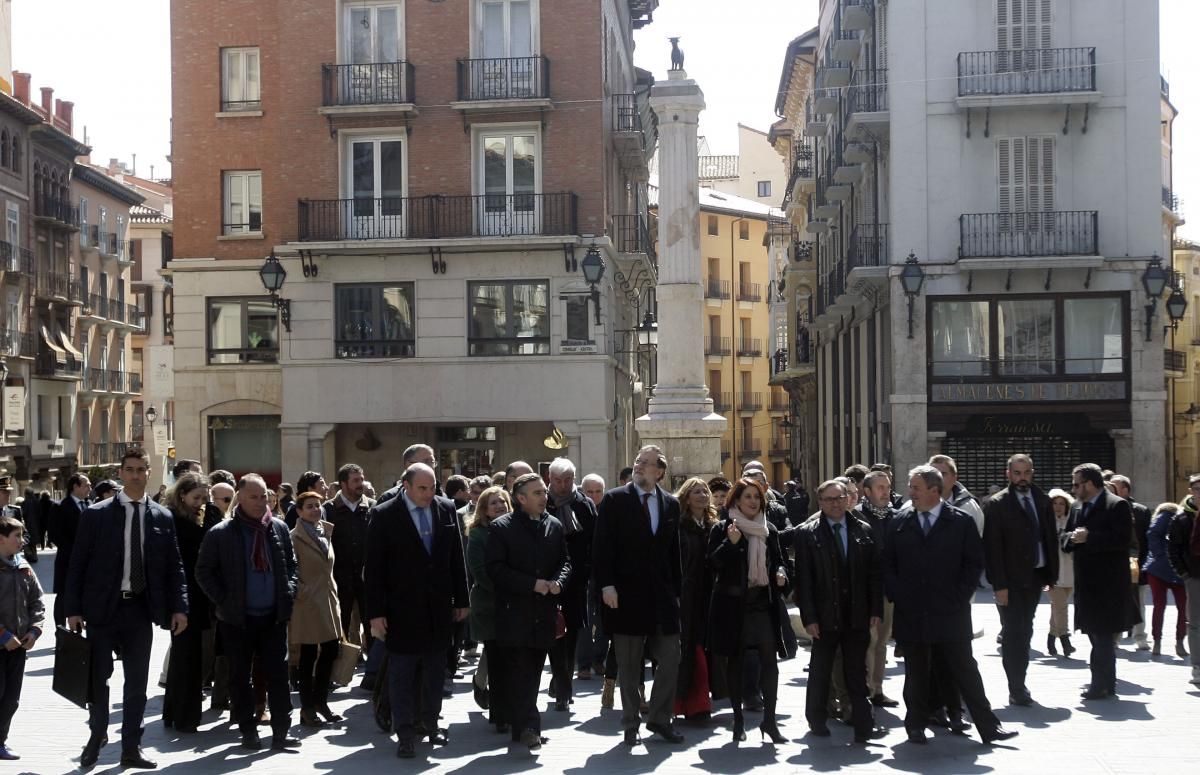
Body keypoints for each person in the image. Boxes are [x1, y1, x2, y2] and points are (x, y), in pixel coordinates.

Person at [64, 448, 189, 770]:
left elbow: (175, 566)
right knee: (98, 679)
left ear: (150, 473)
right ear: (121, 473)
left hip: (140, 611)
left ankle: (132, 747)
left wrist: (179, 607)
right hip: (102, 610)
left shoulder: (162, 516)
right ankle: (97, 735)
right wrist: (73, 608)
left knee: (136, 684)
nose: (135, 475)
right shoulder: (97, 514)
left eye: (141, 469)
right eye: (130, 469)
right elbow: (77, 563)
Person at [882, 465, 1015, 745]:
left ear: (934, 490)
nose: (910, 493)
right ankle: (915, 725)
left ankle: (988, 726)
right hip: (913, 612)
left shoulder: (960, 521)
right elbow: (888, 564)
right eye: (910, 487)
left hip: (951, 612)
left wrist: (959, 596)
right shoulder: (900, 522)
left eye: (916, 487)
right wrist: (899, 594)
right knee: (916, 672)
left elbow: (973, 563)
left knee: (964, 669)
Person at [364, 463, 468, 759]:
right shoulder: (385, 515)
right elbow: (373, 570)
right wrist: (376, 613)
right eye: (422, 488)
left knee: (436, 670)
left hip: (438, 608)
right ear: (406, 486)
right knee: (403, 673)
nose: (428, 493)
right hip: (400, 609)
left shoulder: (446, 509)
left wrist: (461, 599)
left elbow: (455, 559)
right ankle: (406, 732)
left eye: (433, 486)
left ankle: (431, 723)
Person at [195, 474, 299, 751]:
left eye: (264, 495)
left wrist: (288, 592)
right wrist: (224, 601)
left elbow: (291, 566)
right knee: (239, 677)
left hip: (273, 617)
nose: (260, 501)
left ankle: (281, 731)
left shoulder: (277, 529)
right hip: (237, 620)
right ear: (240, 497)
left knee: (278, 675)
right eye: (253, 496)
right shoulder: (221, 533)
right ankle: (248, 731)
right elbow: (203, 571)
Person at [592, 445, 684, 746]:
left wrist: (677, 594)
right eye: (637, 461)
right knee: (629, 666)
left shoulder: (671, 504)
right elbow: (602, 547)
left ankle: (659, 719)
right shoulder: (615, 500)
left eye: (647, 463)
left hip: (662, 598)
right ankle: (630, 722)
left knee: (670, 658)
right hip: (625, 596)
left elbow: (674, 554)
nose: (640, 466)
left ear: (660, 471)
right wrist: (606, 586)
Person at [486, 472, 571, 753]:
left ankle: (523, 726)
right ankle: (530, 727)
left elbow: (565, 561)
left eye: (544, 492)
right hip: (515, 613)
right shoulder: (502, 527)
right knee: (520, 670)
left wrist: (559, 582)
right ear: (520, 498)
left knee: (534, 671)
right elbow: (495, 570)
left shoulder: (554, 525)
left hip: (544, 614)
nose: (543, 497)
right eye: (537, 493)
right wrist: (531, 584)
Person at [795, 479, 882, 744]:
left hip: (856, 613)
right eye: (829, 499)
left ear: (848, 499)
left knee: (856, 670)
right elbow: (804, 580)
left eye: (839, 498)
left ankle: (863, 723)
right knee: (821, 670)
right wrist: (809, 617)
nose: (835, 504)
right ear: (820, 502)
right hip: (823, 615)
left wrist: (875, 609)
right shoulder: (808, 534)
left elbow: (874, 575)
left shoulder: (863, 530)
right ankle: (817, 719)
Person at [707, 478, 791, 744]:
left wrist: (781, 573)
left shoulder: (770, 530)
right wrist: (731, 544)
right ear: (736, 501)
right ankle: (738, 720)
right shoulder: (724, 528)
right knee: (737, 662)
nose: (753, 501)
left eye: (757, 497)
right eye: (748, 497)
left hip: (762, 605)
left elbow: (780, 562)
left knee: (770, 663)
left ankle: (770, 721)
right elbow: (713, 565)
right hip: (733, 606)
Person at [981, 453, 1059, 706]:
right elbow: (992, 548)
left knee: (1026, 629)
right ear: (1008, 474)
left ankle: (1019, 681)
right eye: (1017, 473)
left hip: (1036, 576)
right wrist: (999, 585)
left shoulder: (1042, 500)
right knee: (1014, 632)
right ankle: (1016, 687)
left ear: (1032, 473)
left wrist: (1051, 574)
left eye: (1026, 473)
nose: (1022, 478)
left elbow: (1049, 539)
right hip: (1010, 580)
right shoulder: (997, 504)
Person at [1063, 463, 1140, 700]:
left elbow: (1122, 539)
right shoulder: (1077, 507)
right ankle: (1106, 682)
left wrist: (1090, 537)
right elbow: (1066, 537)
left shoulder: (1116, 505)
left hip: (1109, 584)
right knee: (1095, 635)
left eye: (1077, 484)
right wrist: (1071, 539)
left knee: (1103, 635)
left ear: (1089, 484)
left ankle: (1100, 684)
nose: (1074, 489)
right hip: (1086, 584)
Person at [161, 474, 214, 734]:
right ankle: (184, 716)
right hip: (183, 597)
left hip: (197, 596)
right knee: (187, 658)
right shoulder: (173, 520)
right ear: (182, 495)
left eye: (204, 498)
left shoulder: (200, 516)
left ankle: (174, 712)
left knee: (186, 657)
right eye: (196, 498)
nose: (200, 503)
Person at [289, 491, 344, 727]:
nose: (315, 510)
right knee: (308, 656)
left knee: (331, 651)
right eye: (309, 506)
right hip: (307, 604)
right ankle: (307, 708)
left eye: (318, 505)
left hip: (329, 601)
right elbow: (290, 570)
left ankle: (321, 701)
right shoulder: (294, 537)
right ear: (299, 511)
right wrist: (302, 592)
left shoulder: (326, 531)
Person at [544, 458, 595, 711]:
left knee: (572, 630)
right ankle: (560, 680)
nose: (563, 486)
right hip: (549, 578)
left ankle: (564, 683)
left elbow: (594, 540)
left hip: (576, 580)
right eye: (557, 480)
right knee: (554, 633)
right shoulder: (543, 502)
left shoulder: (583, 504)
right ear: (549, 479)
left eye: (567, 480)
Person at [466, 486, 513, 731]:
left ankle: (485, 685)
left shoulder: (515, 529)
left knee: (508, 657)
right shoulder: (477, 535)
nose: (499, 507)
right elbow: (479, 572)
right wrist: (506, 588)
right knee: (495, 656)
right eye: (493, 503)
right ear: (483, 509)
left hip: (515, 604)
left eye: (502, 502)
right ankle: (499, 713)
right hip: (489, 603)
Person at [0, 516, 45, 761]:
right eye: (16, 536)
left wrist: (35, 630)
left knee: (10, 699)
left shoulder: (23, 565)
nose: (22, 540)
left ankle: (0, 741)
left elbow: (38, 601)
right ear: (1, 538)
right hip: (3, 642)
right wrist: (3, 635)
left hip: (18, 646)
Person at [673, 477, 717, 722]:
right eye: (696, 492)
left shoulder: (714, 525)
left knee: (704, 647)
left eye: (705, 491)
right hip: (686, 596)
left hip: (709, 596)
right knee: (689, 649)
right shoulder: (679, 527)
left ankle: (700, 702)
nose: (702, 495)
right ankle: (692, 705)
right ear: (686, 498)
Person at [859, 470, 899, 707]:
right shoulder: (856, 518)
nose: (886, 492)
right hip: (865, 593)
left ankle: (877, 689)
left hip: (888, 591)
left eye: (887, 487)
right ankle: (863, 689)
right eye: (880, 488)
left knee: (882, 643)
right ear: (867, 491)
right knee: (868, 642)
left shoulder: (897, 517)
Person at [325, 463, 375, 651]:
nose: (360, 484)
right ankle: (338, 671)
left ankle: (373, 673)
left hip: (367, 579)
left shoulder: (372, 508)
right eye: (355, 481)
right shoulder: (327, 510)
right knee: (340, 626)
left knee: (372, 626)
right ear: (343, 484)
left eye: (361, 479)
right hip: (339, 579)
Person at [1109, 475, 1152, 651]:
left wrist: (1143, 563)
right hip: (1114, 566)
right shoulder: (1107, 509)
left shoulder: (1141, 511)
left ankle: (1140, 636)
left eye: (1115, 487)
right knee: (1116, 603)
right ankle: (1115, 638)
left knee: (1139, 602)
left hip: (1136, 565)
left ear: (1125, 490)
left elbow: (1146, 541)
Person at [1143, 503, 1188, 657]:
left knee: (1181, 607)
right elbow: (1153, 534)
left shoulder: (1185, 517)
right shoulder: (1168, 515)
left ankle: (1179, 641)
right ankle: (1158, 641)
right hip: (1160, 569)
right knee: (1162, 605)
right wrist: (1162, 556)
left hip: (1177, 569)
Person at [1167, 479, 1200, 685]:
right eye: (1197, 489)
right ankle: (1197, 666)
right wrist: (1183, 572)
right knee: (1195, 623)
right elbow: (1173, 548)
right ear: (1191, 491)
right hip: (1194, 575)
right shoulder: (1182, 518)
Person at [49, 473, 91, 627]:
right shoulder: (60, 506)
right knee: (64, 595)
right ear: (75, 486)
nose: (89, 488)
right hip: (67, 559)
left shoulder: (89, 505)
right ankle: (60, 628)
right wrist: (74, 550)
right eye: (86, 485)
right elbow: (54, 534)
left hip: (87, 560)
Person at [1045, 488, 1077, 657]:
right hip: (1052, 574)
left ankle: (1051, 638)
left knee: (1057, 608)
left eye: (1061, 504)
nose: (1058, 507)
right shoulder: (1045, 523)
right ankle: (1065, 640)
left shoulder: (1071, 522)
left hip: (1070, 572)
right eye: (1054, 503)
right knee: (1061, 607)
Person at [927, 455, 984, 537]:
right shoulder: (915, 506)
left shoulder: (969, 508)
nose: (937, 479)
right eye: (933, 474)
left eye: (943, 474)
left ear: (954, 478)